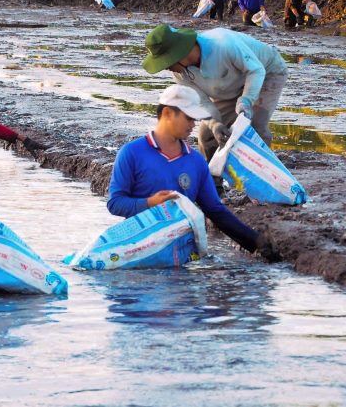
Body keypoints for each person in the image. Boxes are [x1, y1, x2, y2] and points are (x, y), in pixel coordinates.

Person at [107, 85, 273, 257]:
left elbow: (215, 211)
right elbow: (115, 204)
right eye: (189, 118)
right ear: (167, 114)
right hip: (137, 251)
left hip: (179, 254)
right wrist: (150, 203)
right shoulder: (132, 153)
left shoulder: (196, 162)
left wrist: (257, 242)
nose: (193, 125)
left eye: (195, 119)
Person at [142, 23, 287, 163]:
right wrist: (215, 124)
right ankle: (213, 184)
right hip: (229, 88)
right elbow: (202, 102)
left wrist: (247, 100)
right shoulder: (180, 73)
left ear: (178, 54)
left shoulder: (223, 44)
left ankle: (263, 176)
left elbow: (256, 70)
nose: (166, 68)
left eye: (166, 63)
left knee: (255, 124)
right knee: (207, 135)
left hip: (266, 73)